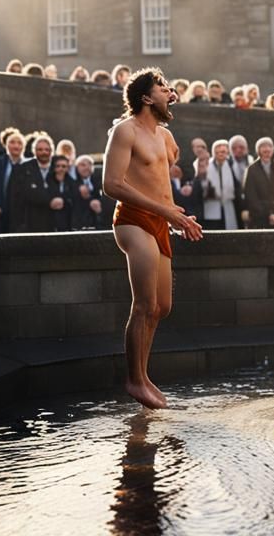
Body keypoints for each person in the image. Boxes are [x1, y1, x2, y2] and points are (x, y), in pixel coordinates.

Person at [101, 68, 203, 409]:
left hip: (162, 221)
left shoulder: (165, 137)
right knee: (144, 304)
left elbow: (161, 179)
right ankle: (135, 379)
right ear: (146, 97)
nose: (170, 91)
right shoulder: (123, 131)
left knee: (162, 306)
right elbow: (112, 185)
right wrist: (167, 212)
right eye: (163, 87)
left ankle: (143, 375)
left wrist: (176, 215)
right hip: (132, 221)